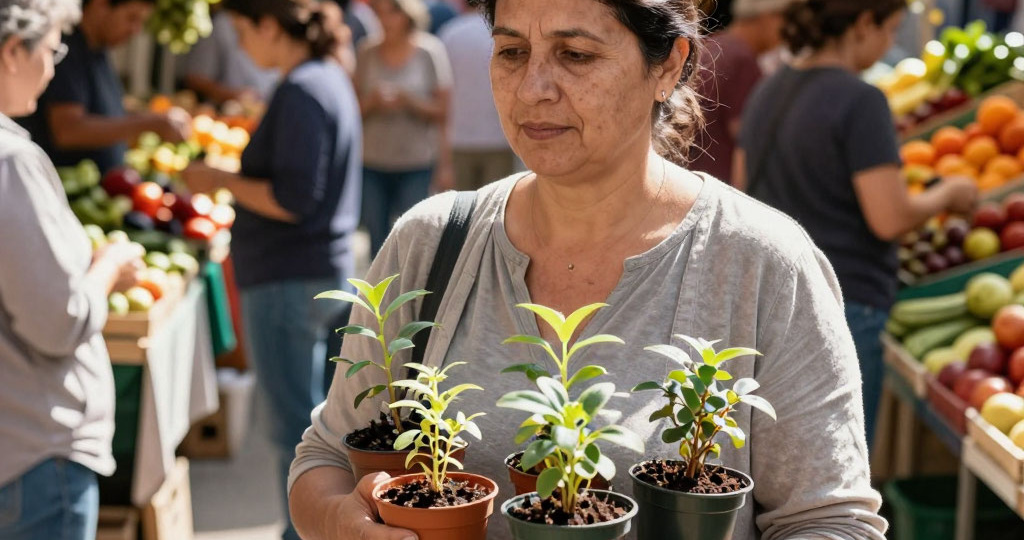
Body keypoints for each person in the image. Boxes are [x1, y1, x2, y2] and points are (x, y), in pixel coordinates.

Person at [288, 1, 890, 539]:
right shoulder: (431, 242)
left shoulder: (763, 263)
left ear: (669, 65)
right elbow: (325, 458)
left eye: (576, 55)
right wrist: (343, 522)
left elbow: (832, 521)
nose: (533, 89)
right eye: (512, 51)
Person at [737, 0, 979, 450]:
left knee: (771, 459)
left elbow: (741, 190)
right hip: (843, 306)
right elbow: (889, 218)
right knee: (835, 464)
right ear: (864, 23)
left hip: (769, 304)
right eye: (890, 29)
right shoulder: (862, 100)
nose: (889, 42)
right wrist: (947, 194)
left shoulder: (769, 91)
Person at [179, 1, 362, 539]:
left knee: (296, 433)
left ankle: (301, 530)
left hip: (289, 281)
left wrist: (218, 179)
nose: (239, 43)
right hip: (316, 273)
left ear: (269, 25)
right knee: (324, 429)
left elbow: (294, 198)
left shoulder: (304, 88)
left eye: (240, 29)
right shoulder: (324, 79)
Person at [0, 1, 146, 538]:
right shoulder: (10, 162)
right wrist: (105, 268)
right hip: (30, 456)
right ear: (14, 51)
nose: (55, 66)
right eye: (53, 48)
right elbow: (57, 323)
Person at [17, 0, 190, 174]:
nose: (135, 30)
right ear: (100, 5)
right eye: (131, 18)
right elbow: (68, 130)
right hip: (68, 189)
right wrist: (150, 124)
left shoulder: (99, 49)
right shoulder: (66, 51)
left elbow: (105, 111)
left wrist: (149, 118)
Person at [356, 0, 452, 257]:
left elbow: (443, 111)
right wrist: (373, 102)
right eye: (380, 13)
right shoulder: (367, 51)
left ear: (407, 15)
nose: (385, 20)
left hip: (416, 162)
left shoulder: (429, 51)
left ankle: (415, 296)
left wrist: (409, 101)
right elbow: (354, 110)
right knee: (376, 241)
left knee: (417, 239)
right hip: (373, 161)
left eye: (392, 12)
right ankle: (382, 297)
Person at [690, 0, 791, 185]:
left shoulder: (713, 45)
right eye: (788, 20)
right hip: (721, 184)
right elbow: (750, 138)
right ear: (770, 19)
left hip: (694, 179)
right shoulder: (741, 59)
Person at [439, 0, 515, 191]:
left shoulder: (449, 33)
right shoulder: (502, 33)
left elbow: (442, 92)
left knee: (462, 213)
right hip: (499, 137)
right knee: (496, 211)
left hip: (459, 138)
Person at [182, 7, 280, 104]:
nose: (242, 45)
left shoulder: (279, 22)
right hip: (229, 112)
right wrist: (232, 96)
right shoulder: (222, 24)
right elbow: (195, 77)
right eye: (238, 33)